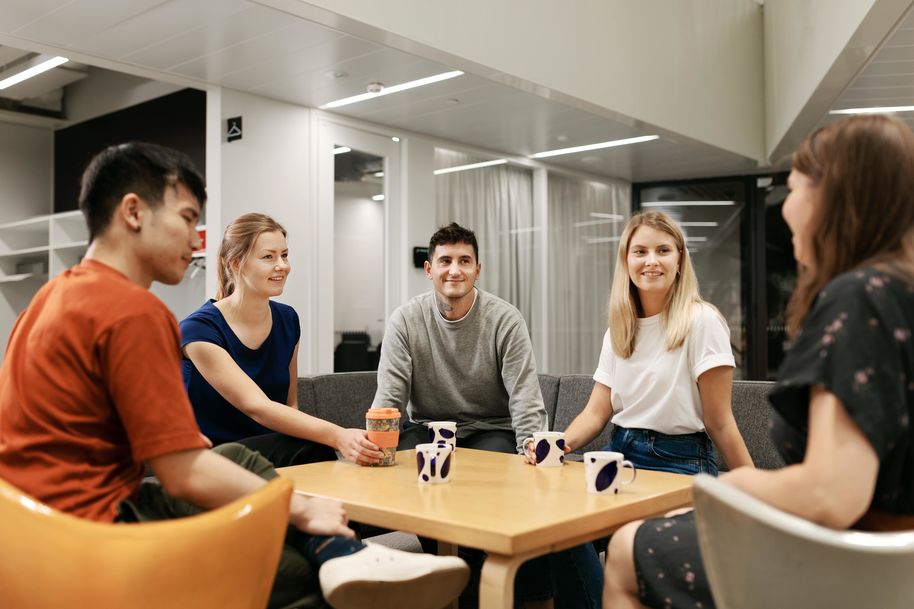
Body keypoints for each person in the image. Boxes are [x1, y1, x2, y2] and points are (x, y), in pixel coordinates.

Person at [0, 142, 468, 609]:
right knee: (312, 572)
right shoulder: (134, 312)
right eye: (186, 218)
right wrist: (302, 506)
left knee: (236, 458)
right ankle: (346, 556)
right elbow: (182, 474)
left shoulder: (46, 300)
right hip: (91, 535)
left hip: (29, 531)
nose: (196, 238)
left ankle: (343, 552)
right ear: (133, 212)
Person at [603, 113, 914, 609]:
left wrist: (740, 485)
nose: (785, 209)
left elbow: (833, 494)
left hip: (856, 564)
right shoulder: (898, 289)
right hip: (892, 562)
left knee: (624, 550)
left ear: (834, 198)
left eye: (793, 190)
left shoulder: (858, 299)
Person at [372, 222, 603, 609]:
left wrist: (532, 445)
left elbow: (525, 397)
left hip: (490, 431)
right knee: (410, 466)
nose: (454, 270)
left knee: (496, 487)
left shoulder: (504, 319)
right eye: (445, 260)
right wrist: (375, 448)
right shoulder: (405, 320)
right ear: (429, 269)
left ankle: (477, 580)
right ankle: (447, 571)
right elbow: (389, 400)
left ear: (478, 269)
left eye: (465, 261)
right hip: (430, 432)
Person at [550, 211, 754, 475]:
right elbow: (596, 413)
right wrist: (555, 446)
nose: (652, 261)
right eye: (640, 252)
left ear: (680, 259)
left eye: (663, 250)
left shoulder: (703, 321)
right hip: (618, 452)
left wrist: (757, 492)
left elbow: (720, 423)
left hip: (680, 459)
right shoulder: (619, 330)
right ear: (626, 261)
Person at [180, 213, 383, 467]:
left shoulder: (287, 319)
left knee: (311, 449)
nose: (282, 265)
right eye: (268, 257)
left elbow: (290, 405)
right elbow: (257, 406)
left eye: (284, 255)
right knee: (313, 449)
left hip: (268, 449)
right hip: (212, 457)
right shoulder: (198, 329)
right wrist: (339, 436)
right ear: (235, 263)